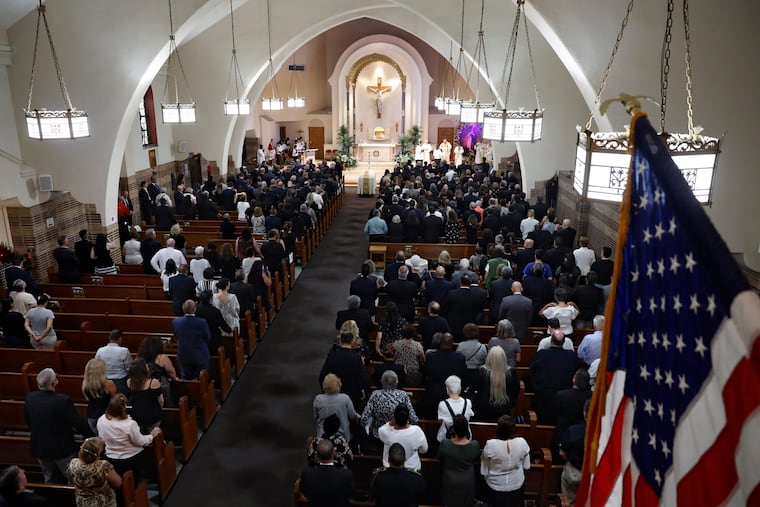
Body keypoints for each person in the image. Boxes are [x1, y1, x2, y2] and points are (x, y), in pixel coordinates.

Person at [24, 368, 94, 483]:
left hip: (40, 447)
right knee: (72, 479)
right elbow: (77, 422)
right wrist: (91, 435)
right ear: (54, 382)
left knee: (49, 478)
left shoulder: (30, 398)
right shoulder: (62, 401)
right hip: (62, 449)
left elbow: (29, 422)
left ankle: (52, 499)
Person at [97, 394, 160, 483]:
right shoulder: (129, 424)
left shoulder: (102, 420)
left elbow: (102, 438)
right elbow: (140, 442)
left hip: (111, 457)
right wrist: (151, 436)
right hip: (131, 458)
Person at [480, 415, 531, 506]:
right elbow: (526, 466)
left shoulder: (491, 444)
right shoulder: (522, 442)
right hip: (517, 484)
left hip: (495, 486)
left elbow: (484, 470)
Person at [437, 414, 481, 507]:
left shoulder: (445, 444)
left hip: (449, 480)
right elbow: (476, 459)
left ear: (453, 429)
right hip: (467, 481)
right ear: (467, 429)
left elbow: (439, 457)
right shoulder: (474, 445)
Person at [66, 437, 122, 507]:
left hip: (82, 503)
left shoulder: (73, 463)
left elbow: (70, 481)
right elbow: (118, 484)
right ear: (98, 453)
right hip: (103, 503)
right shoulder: (103, 465)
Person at [319, 332, 369, 410]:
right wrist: (365, 392)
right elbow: (363, 378)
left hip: (335, 393)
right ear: (352, 342)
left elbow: (322, 376)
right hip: (353, 395)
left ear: (340, 341)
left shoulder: (332, 356)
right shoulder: (356, 358)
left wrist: (325, 391)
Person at [299, 440, 353, 507]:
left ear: (317, 455)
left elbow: (305, 492)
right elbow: (350, 493)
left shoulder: (307, 474)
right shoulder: (346, 475)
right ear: (334, 453)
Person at [472, 346, 520, 421]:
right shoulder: (512, 373)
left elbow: (474, 390)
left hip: (483, 412)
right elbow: (515, 392)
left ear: (489, 357)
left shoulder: (481, 372)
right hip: (504, 412)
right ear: (504, 358)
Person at [377, 404, 428, 472]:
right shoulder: (417, 430)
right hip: (412, 470)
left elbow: (380, 430)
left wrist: (389, 423)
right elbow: (424, 450)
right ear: (408, 418)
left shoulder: (386, 432)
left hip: (390, 469)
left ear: (394, 418)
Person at [313, 374, 359, 444]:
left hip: (322, 439)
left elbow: (316, 416)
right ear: (339, 384)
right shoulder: (345, 398)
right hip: (342, 438)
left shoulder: (318, 399)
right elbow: (353, 416)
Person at [559, 399, 590, 504]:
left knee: (568, 501)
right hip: (592, 475)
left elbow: (562, 453)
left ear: (584, 413)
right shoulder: (604, 434)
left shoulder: (574, 430)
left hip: (574, 473)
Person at [172, 300, 211, 380]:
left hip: (184, 355)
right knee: (203, 378)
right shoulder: (202, 322)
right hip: (200, 355)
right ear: (194, 309)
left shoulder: (176, 322)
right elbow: (207, 337)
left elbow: (176, 336)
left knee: (186, 378)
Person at [137, 336, 178, 408]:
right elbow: (172, 373)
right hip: (160, 389)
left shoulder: (139, 358)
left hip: (143, 387)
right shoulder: (162, 357)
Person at [125, 359, 163, 434]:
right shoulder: (154, 382)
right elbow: (161, 400)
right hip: (152, 416)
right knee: (154, 438)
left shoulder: (129, 382)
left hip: (136, 415)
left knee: (139, 437)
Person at [81, 358, 117, 434]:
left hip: (91, 416)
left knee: (96, 442)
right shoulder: (109, 384)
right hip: (106, 417)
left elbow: (87, 398)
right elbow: (114, 399)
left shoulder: (85, 384)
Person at [436, 375, 474, 442]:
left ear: (447, 389)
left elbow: (440, 421)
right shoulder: (468, 402)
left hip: (446, 439)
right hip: (465, 438)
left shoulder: (442, 404)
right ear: (460, 388)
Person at [95, 329, 133, 394]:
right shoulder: (124, 351)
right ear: (120, 338)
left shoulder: (100, 351)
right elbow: (129, 368)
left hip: (104, 382)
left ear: (109, 338)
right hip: (120, 383)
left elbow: (96, 366)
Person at [456, 323, 487, 390]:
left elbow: (457, 360)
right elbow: (485, 362)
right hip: (477, 375)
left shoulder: (461, 346)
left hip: (464, 375)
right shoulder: (482, 347)